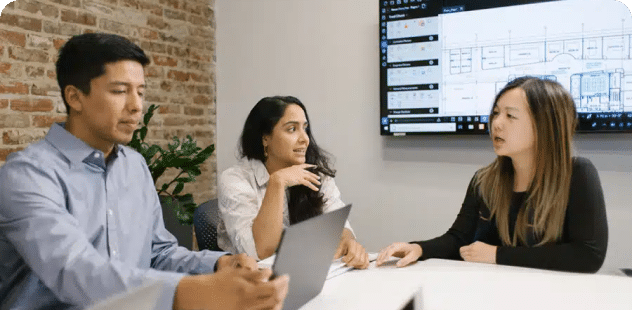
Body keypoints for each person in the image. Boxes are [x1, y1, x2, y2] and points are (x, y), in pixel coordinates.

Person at [0, 33, 288, 310]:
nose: (136, 106)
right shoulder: (27, 174)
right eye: (120, 91)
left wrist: (219, 264)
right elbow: (74, 270)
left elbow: (158, 253)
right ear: (75, 97)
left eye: (140, 92)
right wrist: (192, 293)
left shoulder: (133, 165)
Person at [376, 77, 608, 273]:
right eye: (496, 113)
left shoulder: (578, 174)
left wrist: (498, 255)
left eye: (510, 116)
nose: (496, 124)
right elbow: (459, 239)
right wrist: (419, 248)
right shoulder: (484, 180)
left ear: (544, 125)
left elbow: (588, 255)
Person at [217, 96, 370, 268]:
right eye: (292, 129)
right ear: (265, 138)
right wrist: (277, 182)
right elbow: (259, 253)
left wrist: (348, 240)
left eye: (305, 128)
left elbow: (338, 222)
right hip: (252, 283)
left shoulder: (315, 172)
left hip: (305, 274)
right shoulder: (234, 179)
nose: (305, 139)